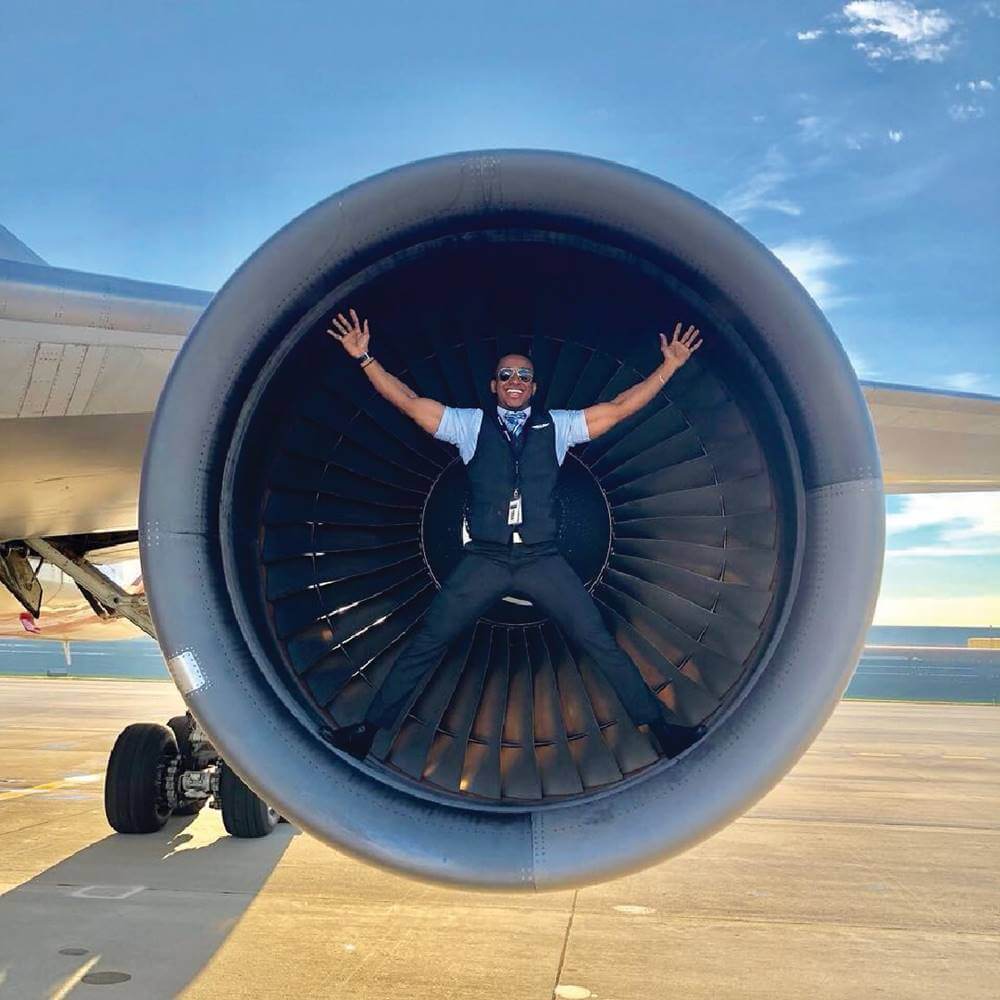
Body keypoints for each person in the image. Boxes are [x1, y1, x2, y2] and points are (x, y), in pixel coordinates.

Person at [325, 307, 704, 762]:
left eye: (523, 375)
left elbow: (619, 409)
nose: (515, 380)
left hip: (542, 560)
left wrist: (669, 367)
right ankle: (368, 731)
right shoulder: (469, 426)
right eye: (506, 375)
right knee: (429, 640)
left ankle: (660, 730)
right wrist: (365, 359)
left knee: (599, 639)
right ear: (494, 385)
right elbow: (408, 401)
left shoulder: (559, 426)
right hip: (484, 559)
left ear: (533, 386)